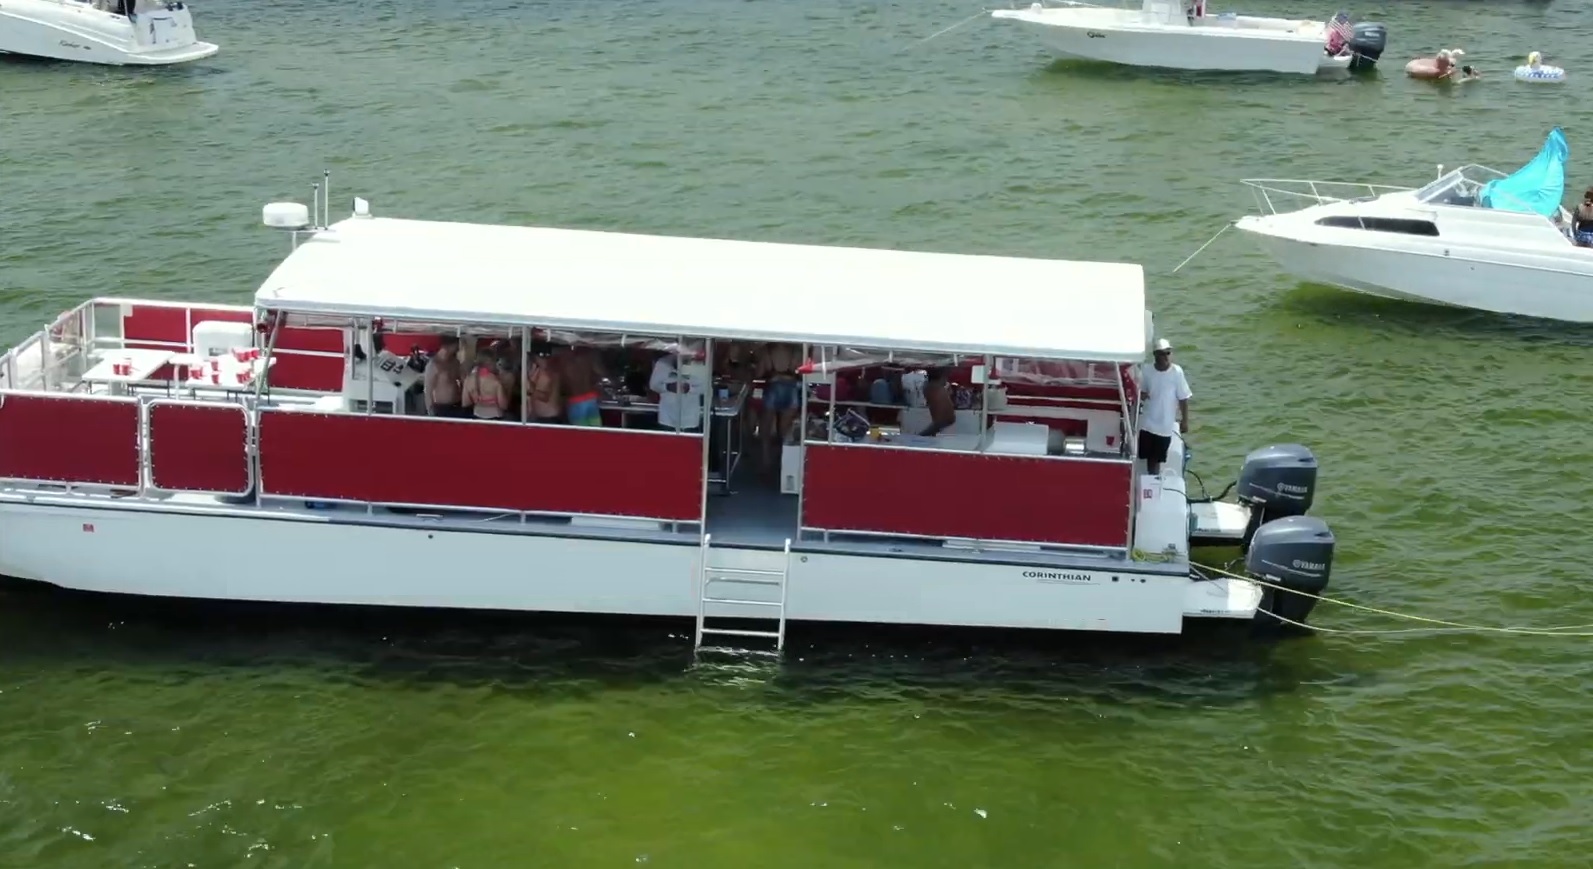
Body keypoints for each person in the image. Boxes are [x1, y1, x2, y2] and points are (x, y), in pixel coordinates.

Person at [1138, 338, 1192, 477]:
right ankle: (1151, 480)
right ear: (1155, 355)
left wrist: (1185, 421)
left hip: (1165, 426)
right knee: (1147, 457)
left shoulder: (1177, 372)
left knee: (1157, 459)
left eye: (1168, 353)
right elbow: (1141, 392)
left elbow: (1183, 398)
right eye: (1162, 353)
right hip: (1148, 423)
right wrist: (1142, 394)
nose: (1166, 356)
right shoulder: (1147, 370)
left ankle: (1153, 481)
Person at [757, 342, 802, 472]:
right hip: (792, 390)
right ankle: (784, 464)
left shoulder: (766, 351)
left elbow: (759, 373)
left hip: (773, 389)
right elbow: (803, 374)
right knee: (785, 432)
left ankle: (766, 462)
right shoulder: (797, 351)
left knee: (766, 431)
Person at [650, 352, 706, 432]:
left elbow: (706, 388)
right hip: (666, 419)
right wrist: (667, 387)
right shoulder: (662, 363)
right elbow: (653, 385)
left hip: (690, 420)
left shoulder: (699, 364)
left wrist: (690, 389)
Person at [559, 346, 604, 427]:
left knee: (580, 432)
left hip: (576, 400)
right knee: (596, 430)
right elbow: (600, 373)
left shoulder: (566, 360)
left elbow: (563, 382)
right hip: (591, 398)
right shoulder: (589, 357)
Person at [462, 345, 509, 421]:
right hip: (495, 417)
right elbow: (504, 406)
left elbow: (465, 403)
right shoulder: (496, 382)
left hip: (476, 416)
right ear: (490, 362)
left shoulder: (468, 380)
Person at [423, 335, 464, 417]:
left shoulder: (455, 362)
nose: (458, 347)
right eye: (457, 345)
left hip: (458, 404)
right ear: (451, 345)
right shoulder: (433, 365)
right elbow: (428, 390)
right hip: (442, 408)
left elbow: (462, 380)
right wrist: (430, 411)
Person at [526, 344, 564, 423]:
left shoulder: (550, 374)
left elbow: (544, 397)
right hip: (539, 417)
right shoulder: (537, 372)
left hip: (549, 418)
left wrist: (531, 390)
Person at [919, 368, 957, 437]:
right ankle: (921, 436)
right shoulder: (935, 388)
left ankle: (921, 436)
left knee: (940, 422)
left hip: (943, 420)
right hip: (943, 420)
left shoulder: (937, 388)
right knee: (940, 422)